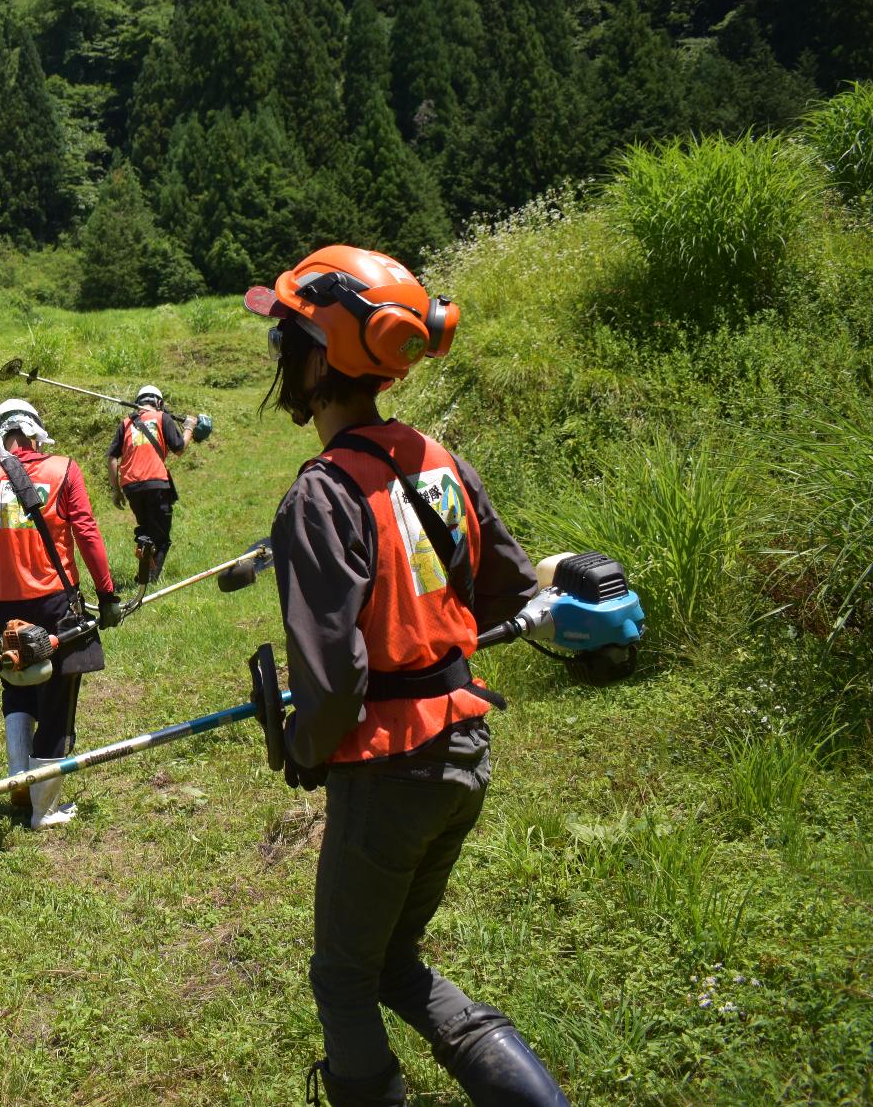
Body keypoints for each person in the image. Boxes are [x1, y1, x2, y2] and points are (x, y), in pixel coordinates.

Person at [239, 246, 568, 1107]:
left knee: (343, 977)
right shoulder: (437, 460)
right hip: (466, 752)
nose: (278, 352)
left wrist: (306, 747)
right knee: (393, 962)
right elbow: (504, 584)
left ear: (320, 358)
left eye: (285, 336)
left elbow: (335, 676)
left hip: (389, 771)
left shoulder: (322, 493)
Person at [0, 398, 124, 829]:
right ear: (34, 433)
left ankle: (19, 781)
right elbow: (86, 531)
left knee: (18, 685)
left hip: (3, 606)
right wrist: (107, 595)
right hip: (53, 602)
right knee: (58, 697)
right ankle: (43, 810)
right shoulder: (64, 469)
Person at [106, 385, 194, 588]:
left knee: (146, 531)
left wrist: (115, 490)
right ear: (159, 403)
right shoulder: (164, 418)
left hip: (131, 486)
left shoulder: (126, 423)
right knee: (161, 538)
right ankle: (150, 581)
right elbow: (179, 448)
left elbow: (112, 457)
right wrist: (189, 427)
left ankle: (143, 575)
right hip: (155, 483)